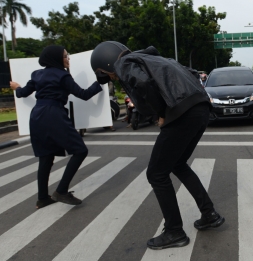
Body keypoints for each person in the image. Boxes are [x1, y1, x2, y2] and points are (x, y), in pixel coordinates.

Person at [91, 41, 225, 249]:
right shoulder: (153, 58)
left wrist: (160, 113)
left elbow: (143, 84)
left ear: (106, 63)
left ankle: (174, 231)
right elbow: (191, 73)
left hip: (181, 111)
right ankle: (209, 213)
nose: (114, 78)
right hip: (200, 108)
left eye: (108, 75)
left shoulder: (124, 63)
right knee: (178, 164)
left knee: (156, 174)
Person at [10, 45, 106, 209]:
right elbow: (83, 94)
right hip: (54, 114)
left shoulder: (37, 74)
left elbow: (23, 93)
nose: (68, 59)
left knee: (45, 157)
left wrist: (16, 87)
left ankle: (42, 199)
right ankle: (61, 191)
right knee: (80, 150)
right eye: (65, 56)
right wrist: (100, 82)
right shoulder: (63, 76)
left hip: (37, 116)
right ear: (56, 59)